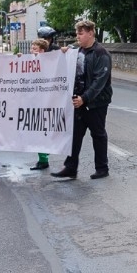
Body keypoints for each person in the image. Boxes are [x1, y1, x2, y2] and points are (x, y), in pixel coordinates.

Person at [51, 19, 114, 180]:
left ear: (91, 33)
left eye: (81, 33)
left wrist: (85, 98)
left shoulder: (101, 53)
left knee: (98, 134)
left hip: (96, 102)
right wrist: (63, 51)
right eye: (77, 33)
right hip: (77, 100)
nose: (77, 36)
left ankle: (102, 168)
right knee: (74, 135)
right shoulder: (75, 51)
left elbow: (100, 80)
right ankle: (71, 167)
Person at [29, 38, 53, 170]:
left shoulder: (49, 63)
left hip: (45, 101)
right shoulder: (29, 62)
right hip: (34, 101)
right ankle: (43, 158)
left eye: (35, 49)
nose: (31, 51)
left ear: (42, 51)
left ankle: (43, 159)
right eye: (31, 48)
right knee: (37, 130)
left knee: (42, 130)